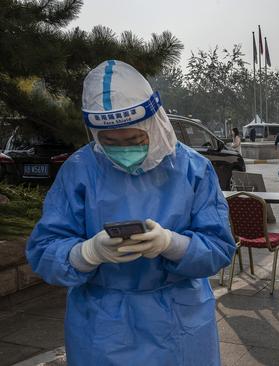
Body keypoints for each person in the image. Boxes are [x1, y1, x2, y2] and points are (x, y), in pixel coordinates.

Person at [26, 60, 237, 365]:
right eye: (110, 142)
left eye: (134, 140)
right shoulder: (80, 170)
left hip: (179, 323)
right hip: (102, 330)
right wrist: (86, 253)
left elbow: (219, 247)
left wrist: (171, 244)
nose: (123, 150)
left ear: (154, 123)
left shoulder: (193, 169)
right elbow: (45, 249)